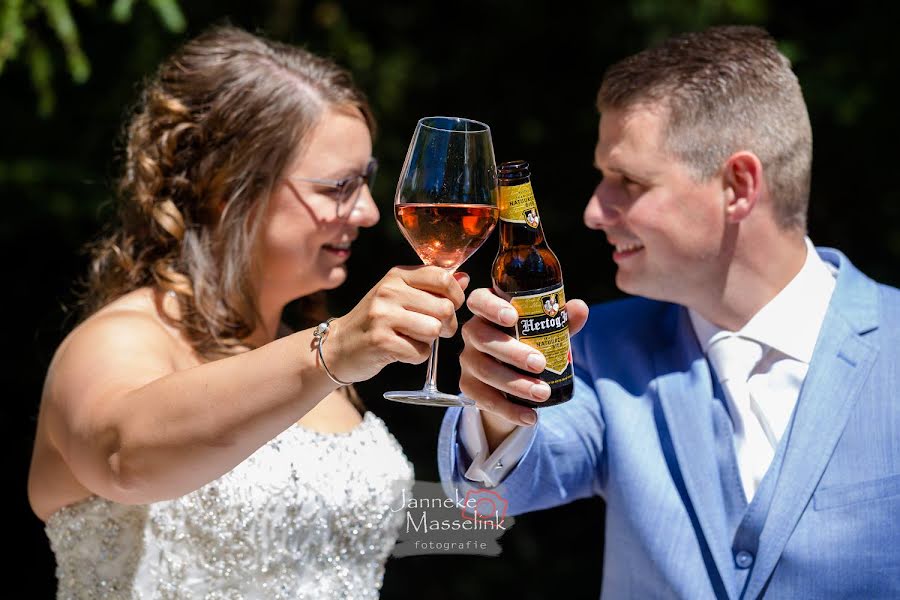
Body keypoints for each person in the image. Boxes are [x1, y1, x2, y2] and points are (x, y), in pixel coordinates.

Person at [439, 25, 900, 599]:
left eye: (627, 181)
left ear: (737, 186)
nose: (592, 212)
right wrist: (497, 401)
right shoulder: (597, 349)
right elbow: (488, 499)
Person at [27, 25, 469, 599]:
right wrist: (333, 350)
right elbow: (122, 459)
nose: (364, 212)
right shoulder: (118, 340)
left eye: (366, 183)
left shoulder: (307, 351)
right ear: (228, 187)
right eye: (338, 187)